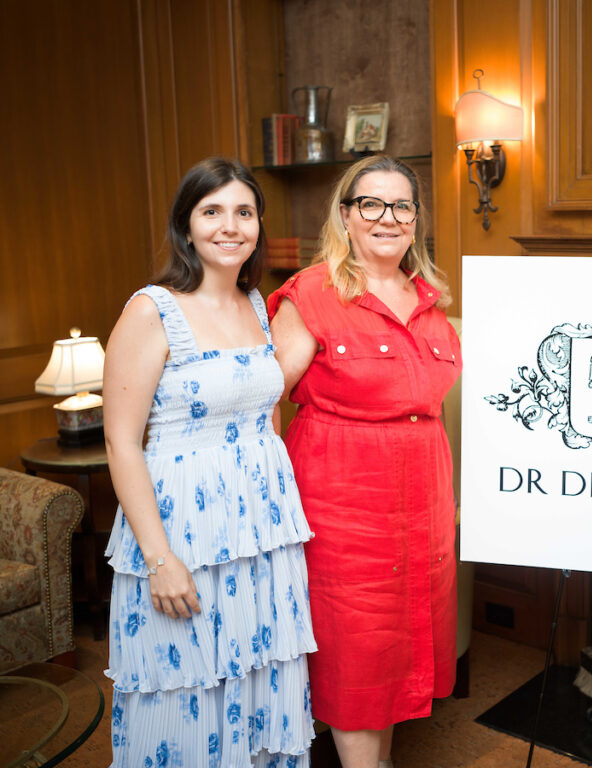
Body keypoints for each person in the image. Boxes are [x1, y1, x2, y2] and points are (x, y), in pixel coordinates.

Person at [103, 157, 317, 767]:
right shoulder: (152, 309)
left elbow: (264, 412)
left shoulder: (257, 303)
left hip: (262, 531)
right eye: (212, 211)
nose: (231, 226)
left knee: (257, 681)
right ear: (187, 225)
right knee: (184, 691)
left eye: (244, 212)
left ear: (257, 227)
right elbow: (122, 443)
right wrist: (159, 560)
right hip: (183, 533)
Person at [268, 155, 461, 768]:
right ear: (346, 216)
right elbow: (263, 403)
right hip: (341, 507)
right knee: (356, 652)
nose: (388, 217)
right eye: (371, 204)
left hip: (421, 505)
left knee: (397, 651)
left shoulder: (429, 299)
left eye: (401, 205)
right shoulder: (313, 292)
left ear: (416, 220)